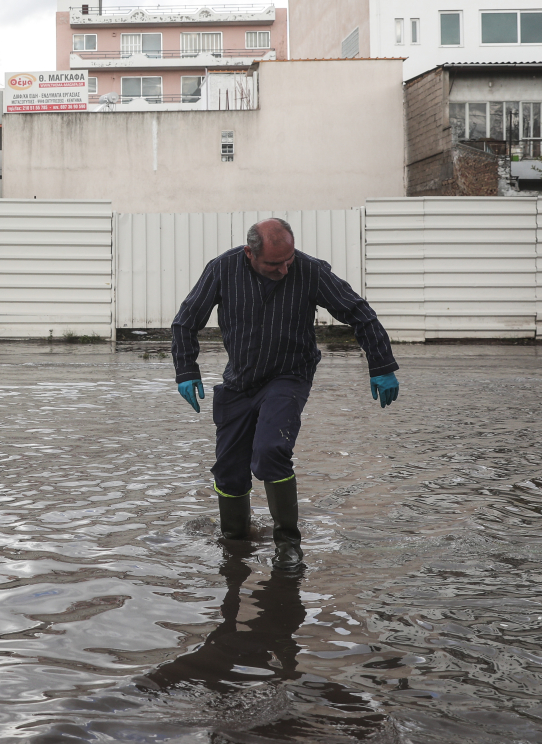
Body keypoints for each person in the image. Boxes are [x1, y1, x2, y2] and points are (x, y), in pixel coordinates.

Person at [171, 217, 399, 573]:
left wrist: (382, 365)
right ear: (250, 254)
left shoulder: (309, 271)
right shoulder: (222, 269)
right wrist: (186, 370)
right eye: (274, 264)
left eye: (288, 260)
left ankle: (289, 546)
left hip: (288, 376)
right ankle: (234, 543)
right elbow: (185, 321)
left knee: (271, 451)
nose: (284, 269)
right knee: (229, 472)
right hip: (239, 382)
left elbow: (359, 313)